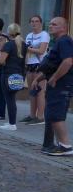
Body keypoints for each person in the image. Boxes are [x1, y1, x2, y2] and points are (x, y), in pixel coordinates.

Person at [31, 16, 73, 155]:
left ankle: (65, 146)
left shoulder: (64, 41)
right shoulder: (58, 42)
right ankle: (56, 144)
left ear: (63, 27)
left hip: (61, 85)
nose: (50, 26)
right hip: (56, 84)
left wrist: (54, 78)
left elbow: (68, 62)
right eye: (50, 24)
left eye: (54, 24)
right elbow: (53, 65)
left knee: (56, 115)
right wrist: (39, 78)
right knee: (52, 114)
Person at [21, 15, 49, 125]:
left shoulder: (44, 34)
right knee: (32, 91)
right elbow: (26, 51)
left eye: (36, 21)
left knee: (40, 91)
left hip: (40, 65)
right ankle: (32, 115)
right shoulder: (29, 35)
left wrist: (27, 48)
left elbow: (41, 51)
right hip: (30, 64)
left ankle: (40, 117)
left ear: (40, 23)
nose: (34, 23)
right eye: (32, 21)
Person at [0, 23, 26, 131]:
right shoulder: (24, 44)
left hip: (8, 74)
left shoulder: (8, 45)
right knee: (12, 99)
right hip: (19, 74)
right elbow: (24, 61)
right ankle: (11, 121)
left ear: (9, 33)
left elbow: (1, 61)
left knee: (9, 99)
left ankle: (12, 124)